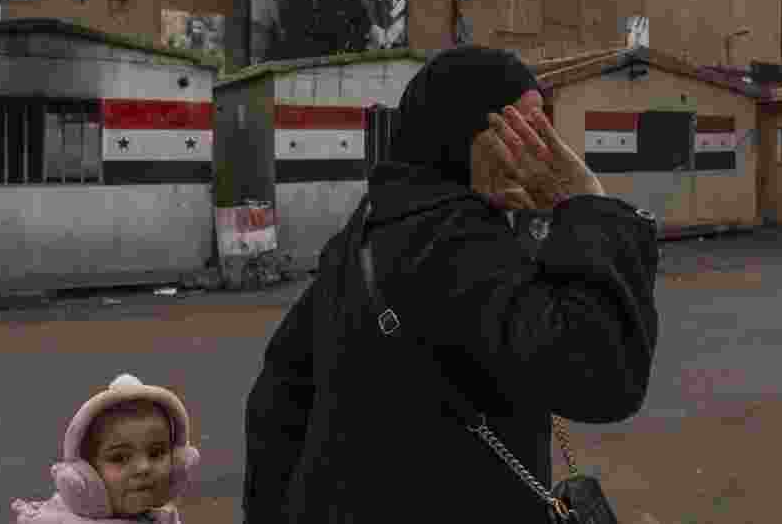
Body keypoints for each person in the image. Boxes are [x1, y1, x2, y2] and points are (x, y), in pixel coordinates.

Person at [242, 46, 660, 522]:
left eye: (543, 129)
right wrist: (587, 206)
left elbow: (279, 398)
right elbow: (603, 375)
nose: (542, 152)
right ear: (466, 135)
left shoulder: (370, 228)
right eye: (525, 129)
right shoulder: (451, 241)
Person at [11, 374, 201, 524]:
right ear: (86, 475)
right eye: (119, 458)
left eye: (156, 453)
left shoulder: (163, 518)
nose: (143, 467)